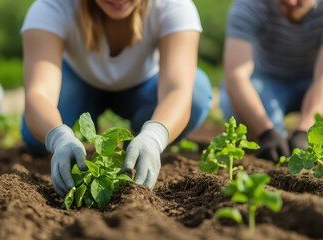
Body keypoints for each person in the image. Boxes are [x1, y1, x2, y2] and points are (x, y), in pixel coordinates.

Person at [21, 0, 212, 196]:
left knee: (195, 92)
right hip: (80, 84)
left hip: (142, 89)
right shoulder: (52, 7)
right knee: (37, 137)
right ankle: (73, 134)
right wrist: (58, 137)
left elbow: (177, 90)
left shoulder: (173, 5)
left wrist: (154, 137)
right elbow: (39, 93)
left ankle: (140, 139)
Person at [221, 0, 323, 163]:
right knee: (233, 103)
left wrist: (305, 131)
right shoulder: (249, 5)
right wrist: (266, 132)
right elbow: (236, 75)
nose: (290, 2)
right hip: (268, 80)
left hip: (312, 82)